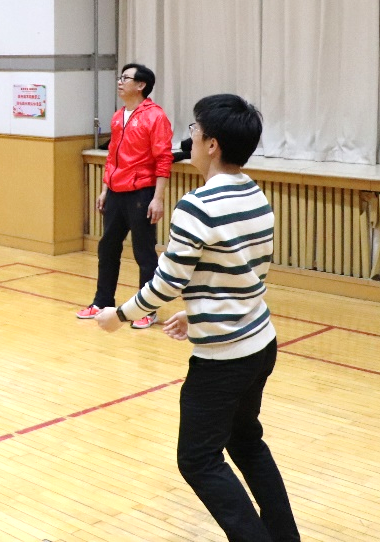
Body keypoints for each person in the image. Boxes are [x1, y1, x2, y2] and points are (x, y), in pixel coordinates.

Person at [98, 95, 300, 542]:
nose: (188, 137)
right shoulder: (254, 192)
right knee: (245, 442)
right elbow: (244, 272)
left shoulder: (197, 205)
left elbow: (165, 284)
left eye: (194, 130)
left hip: (223, 360)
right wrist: (196, 314)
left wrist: (119, 315)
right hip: (260, 343)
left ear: (211, 144)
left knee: (198, 459)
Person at [77, 63, 173, 327]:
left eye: (125, 78)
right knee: (107, 248)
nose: (120, 82)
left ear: (141, 85)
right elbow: (112, 157)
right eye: (120, 77)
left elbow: (163, 159)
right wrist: (105, 189)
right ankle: (102, 301)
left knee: (144, 253)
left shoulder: (156, 117)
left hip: (141, 192)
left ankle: (148, 309)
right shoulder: (118, 116)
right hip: (115, 192)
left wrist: (158, 198)